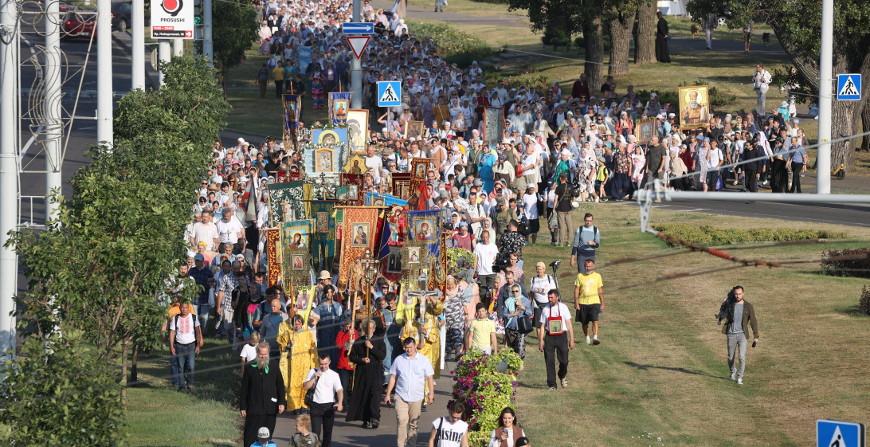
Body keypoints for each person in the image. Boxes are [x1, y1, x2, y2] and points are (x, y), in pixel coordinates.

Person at [384, 337, 436, 447]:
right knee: (402, 421)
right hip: (400, 396)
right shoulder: (399, 359)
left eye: (410, 347)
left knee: (414, 423)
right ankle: (401, 445)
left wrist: (431, 393)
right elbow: (393, 377)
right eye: (406, 348)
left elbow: (429, 378)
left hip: (417, 397)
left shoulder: (423, 360)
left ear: (415, 346)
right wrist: (388, 394)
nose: (408, 350)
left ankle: (411, 445)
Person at [240, 342, 286, 447]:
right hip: (254, 409)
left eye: (265, 354)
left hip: (270, 408)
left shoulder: (274, 365)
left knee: (266, 438)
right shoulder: (249, 367)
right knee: (250, 437)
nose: (263, 357)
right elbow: (244, 389)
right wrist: (243, 406)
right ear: (257, 353)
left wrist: (282, 402)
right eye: (261, 355)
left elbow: (280, 385)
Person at [346, 318, 386, 429]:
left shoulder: (379, 340)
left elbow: (382, 355)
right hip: (363, 373)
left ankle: (374, 418)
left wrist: (371, 347)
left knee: (374, 397)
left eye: (371, 328)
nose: (369, 330)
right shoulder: (359, 341)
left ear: (374, 329)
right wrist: (362, 360)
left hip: (375, 372)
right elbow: (352, 356)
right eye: (367, 328)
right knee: (364, 396)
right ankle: (366, 418)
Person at [716, 285, 759, 385]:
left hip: (742, 335)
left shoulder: (748, 306)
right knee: (731, 357)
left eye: (740, 294)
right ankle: (733, 371)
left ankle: (740, 377)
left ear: (743, 294)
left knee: (742, 357)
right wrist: (724, 303)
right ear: (733, 294)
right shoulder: (730, 304)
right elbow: (722, 312)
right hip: (731, 334)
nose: (738, 296)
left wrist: (756, 336)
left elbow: (753, 321)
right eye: (736, 294)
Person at [278, 314, 318, 413]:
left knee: (304, 384)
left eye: (299, 323)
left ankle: (304, 405)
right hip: (293, 364)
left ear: (302, 324)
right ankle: (295, 406)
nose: (297, 324)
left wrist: (314, 365)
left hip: (305, 364)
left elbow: (313, 350)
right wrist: (287, 345)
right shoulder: (289, 334)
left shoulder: (308, 334)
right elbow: (281, 344)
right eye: (295, 323)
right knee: (294, 385)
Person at [303, 354, 344, 447]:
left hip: (328, 406)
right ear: (318, 362)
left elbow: (339, 390)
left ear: (329, 362)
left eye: (325, 363)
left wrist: (340, 402)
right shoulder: (313, 371)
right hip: (315, 405)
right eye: (321, 364)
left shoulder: (334, 375)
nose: (323, 366)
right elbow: (305, 387)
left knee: (327, 433)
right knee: (315, 434)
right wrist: (314, 378)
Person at [538, 289, 574, 390]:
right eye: (548, 297)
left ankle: (562, 375)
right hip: (549, 336)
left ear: (557, 297)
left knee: (564, 361)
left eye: (551, 297)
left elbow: (569, 324)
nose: (549, 299)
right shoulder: (545, 309)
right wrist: (541, 340)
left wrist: (571, 339)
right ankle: (552, 384)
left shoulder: (563, 308)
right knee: (549, 361)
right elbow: (542, 326)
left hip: (561, 336)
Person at [168, 301, 203, 391]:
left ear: (189, 308)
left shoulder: (194, 317)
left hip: (191, 345)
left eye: (186, 307)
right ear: (180, 308)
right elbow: (172, 333)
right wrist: (171, 346)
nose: (184, 309)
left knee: (191, 366)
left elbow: (198, 331)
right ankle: (182, 386)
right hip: (179, 346)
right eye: (182, 307)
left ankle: (190, 384)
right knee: (180, 367)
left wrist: (198, 345)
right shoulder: (176, 318)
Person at [574, 259, 605, 345]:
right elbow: (576, 290)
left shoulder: (598, 276)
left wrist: (602, 303)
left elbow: (600, 290)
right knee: (584, 323)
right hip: (582, 302)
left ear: (593, 266)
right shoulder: (580, 276)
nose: (588, 268)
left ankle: (595, 337)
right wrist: (576, 302)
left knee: (595, 320)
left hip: (594, 302)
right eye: (586, 266)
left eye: (589, 266)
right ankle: (587, 336)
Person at [498, 285, 532, 359]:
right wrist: (513, 314)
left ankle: (519, 365)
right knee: (512, 350)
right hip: (510, 328)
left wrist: (523, 307)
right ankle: (513, 368)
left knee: (520, 350)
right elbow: (504, 314)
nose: (515, 293)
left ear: (520, 291)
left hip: (521, 328)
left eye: (516, 291)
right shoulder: (508, 301)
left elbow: (530, 313)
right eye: (513, 291)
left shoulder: (526, 300)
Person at [528, 262, 557, 338]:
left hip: (548, 304)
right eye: (537, 269)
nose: (539, 271)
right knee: (538, 324)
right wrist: (529, 303)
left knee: (551, 321)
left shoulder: (549, 278)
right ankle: (540, 340)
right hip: (537, 305)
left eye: (540, 269)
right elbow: (531, 292)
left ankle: (552, 337)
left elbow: (554, 291)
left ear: (544, 269)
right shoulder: (533, 279)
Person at [553, 173, 573, 247]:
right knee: (569, 226)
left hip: (561, 209)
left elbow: (556, 199)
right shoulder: (570, 186)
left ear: (561, 178)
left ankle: (561, 243)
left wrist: (554, 208)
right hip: (568, 208)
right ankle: (569, 242)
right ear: (566, 178)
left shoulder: (559, 187)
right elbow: (573, 196)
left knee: (562, 227)